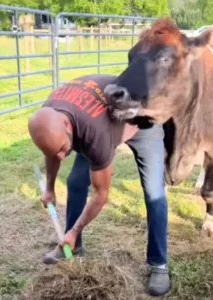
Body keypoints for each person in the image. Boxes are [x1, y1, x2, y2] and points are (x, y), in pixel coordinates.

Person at [27, 74, 170, 296]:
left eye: (65, 148)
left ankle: (159, 264)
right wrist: (50, 188)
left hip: (140, 122)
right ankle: (71, 247)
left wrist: (75, 229)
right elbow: (52, 152)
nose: (62, 156)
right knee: (75, 182)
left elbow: (101, 194)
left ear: (67, 124)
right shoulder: (50, 115)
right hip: (100, 121)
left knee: (154, 194)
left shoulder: (95, 134)